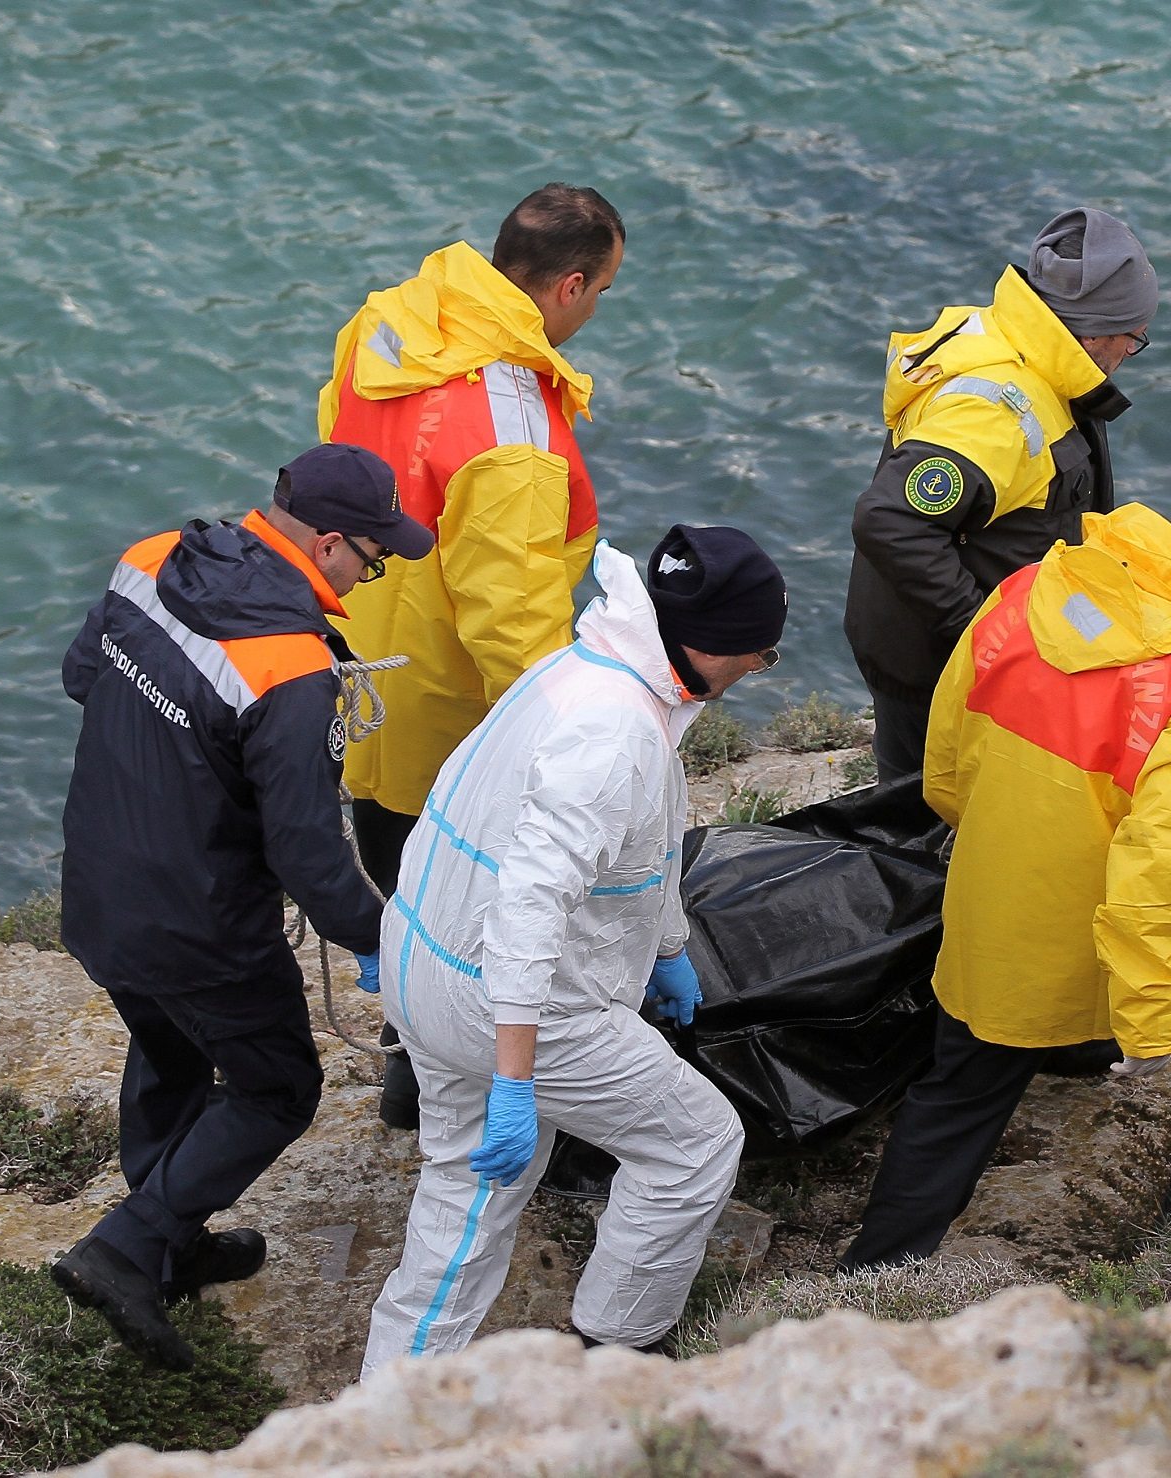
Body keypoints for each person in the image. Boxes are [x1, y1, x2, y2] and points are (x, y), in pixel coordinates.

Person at [838, 448, 1171, 1272]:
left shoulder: (1034, 586)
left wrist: (1000, 838)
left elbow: (946, 760)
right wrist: (1150, 1015)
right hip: (1102, 923)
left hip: (993, 906)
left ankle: (871, 1277)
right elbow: (1162, 864)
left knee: (960, 1095)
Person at [359, 526, 787, 1372]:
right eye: (759, 655)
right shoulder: (614, 733)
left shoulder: (575, 670)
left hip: (423, 963)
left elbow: (639, 845)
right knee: (695, 1144)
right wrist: (517, 1077)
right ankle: (617, 1342)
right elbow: (526, 910)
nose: (752, 673)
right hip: (513, 1002)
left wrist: (666, 948)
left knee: (469, 1190)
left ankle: (387, 1406)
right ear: (707, 644)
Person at [51, 445, 435, 1370]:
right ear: (331, 543)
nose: (372, 573)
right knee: (275, 1087)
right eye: (374, 556)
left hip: (100, 887)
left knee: (170, 1047)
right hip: (203, 924)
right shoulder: (291, 669)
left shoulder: (149, 560)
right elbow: (307, 853)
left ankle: (174, 1242)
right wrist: (384, 943)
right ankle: (130, 1249)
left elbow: (79, 676)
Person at [318, 183, 625, 1130]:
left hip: (356, 668)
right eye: (604, 289)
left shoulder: (387, 326)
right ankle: (445, 1090)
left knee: (389, 877)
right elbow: (513, 621)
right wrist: (561, 755)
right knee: (460, 919)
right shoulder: (513, 432)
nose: (598, 306)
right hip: (448, 723)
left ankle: (406, 1066)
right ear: (569, 286)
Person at [845, 206, 1157, 781]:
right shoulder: (993, 411)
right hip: (938, 668)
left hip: (949, 654)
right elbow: (890, 519)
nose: (1126, 357)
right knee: (926, 825)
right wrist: (986, 632)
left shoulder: (1025, 343)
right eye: (1134, 339)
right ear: (1096, 331)